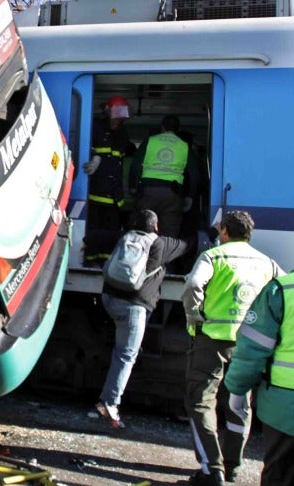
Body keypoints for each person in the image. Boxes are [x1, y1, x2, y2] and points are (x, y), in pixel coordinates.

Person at [179, 210, 284, 485]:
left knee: (201, 401)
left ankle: (212, 470)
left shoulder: (214, 256)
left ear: (224, 231)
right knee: (239, 405)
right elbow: (283, 291)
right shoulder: (267, 263)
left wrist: (194, 315)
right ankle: (233, 467)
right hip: (247, 345)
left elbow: (192, 284)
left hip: (211, 340)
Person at [95, 209, 192, 429]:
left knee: (123, 349)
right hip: (134, 307)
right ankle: (110, 403)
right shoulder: (161, 244)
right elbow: (188, 244)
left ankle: (108, 397)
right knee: (126, 355)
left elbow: (95, 236)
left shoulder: (125, 237)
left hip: (109, 299)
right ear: (156, 226)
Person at [224, 271, 294, 485]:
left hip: (285, 408)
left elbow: (251, 351)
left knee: (280, 474)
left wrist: (236, 389)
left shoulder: (282, 289)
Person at [82, 96, 136, 265]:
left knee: (112, 234)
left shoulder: (122, 133)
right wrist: (95, 157)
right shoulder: (95, 126)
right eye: (116, 117)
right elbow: (82, 147)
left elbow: (120, 156)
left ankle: (106, 264)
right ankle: (90, 262)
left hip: (114, 196)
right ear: (108, 112)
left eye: (121, 118)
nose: (118, 121)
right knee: (94, 232)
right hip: (96, 194)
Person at [129, 115, 198, 237]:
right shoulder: (184, 146)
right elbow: (193, 174)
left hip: (148, 192)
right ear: (179, 129)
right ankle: (164, 255)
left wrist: (133, 187)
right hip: (173, 195)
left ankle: (142, 254)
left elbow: (136, 165)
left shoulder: (150, 141)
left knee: (142, 228)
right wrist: (189, 196)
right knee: (169, 232)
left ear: (162, 127)